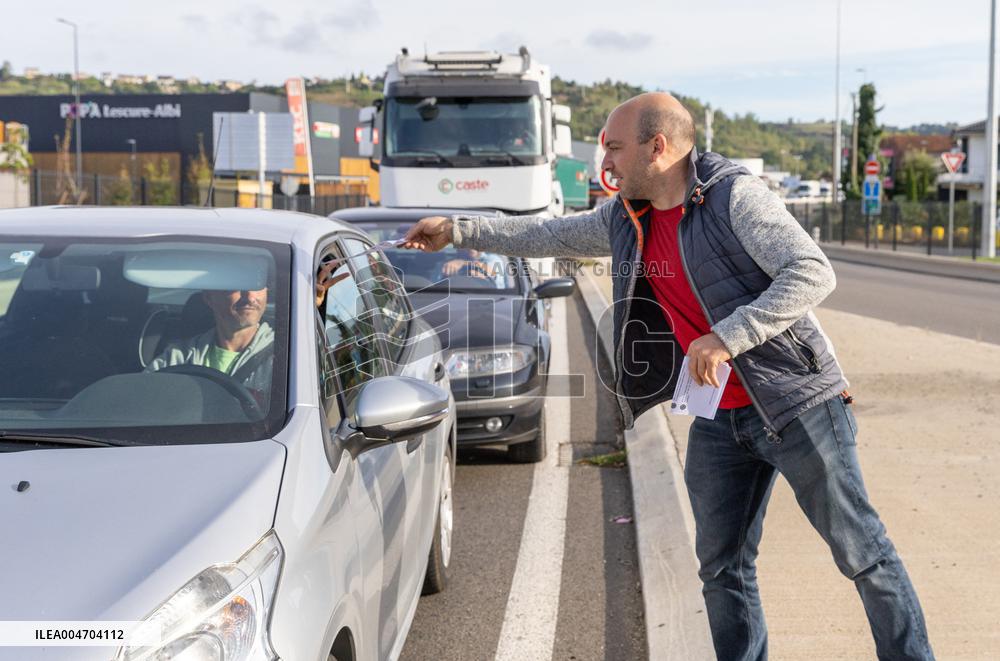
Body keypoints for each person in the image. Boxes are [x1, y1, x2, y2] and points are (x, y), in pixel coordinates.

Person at [402, 92, 934, 660]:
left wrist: (729, 335)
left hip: (797, 402)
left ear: (658, 147)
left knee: (863, 553)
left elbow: (811, 271)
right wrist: (458, 229)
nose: (603, 160)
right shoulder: (628, 217)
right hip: (719, 418)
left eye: (613, 147)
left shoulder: (733, 197)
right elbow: (549, 236)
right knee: (722, 568)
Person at [146, 287, 274, 401]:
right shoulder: (178, 357)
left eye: (257, 286)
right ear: (209, 298)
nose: (250, 297)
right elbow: (140, 401)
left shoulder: (285, 358)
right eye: (236, 286)